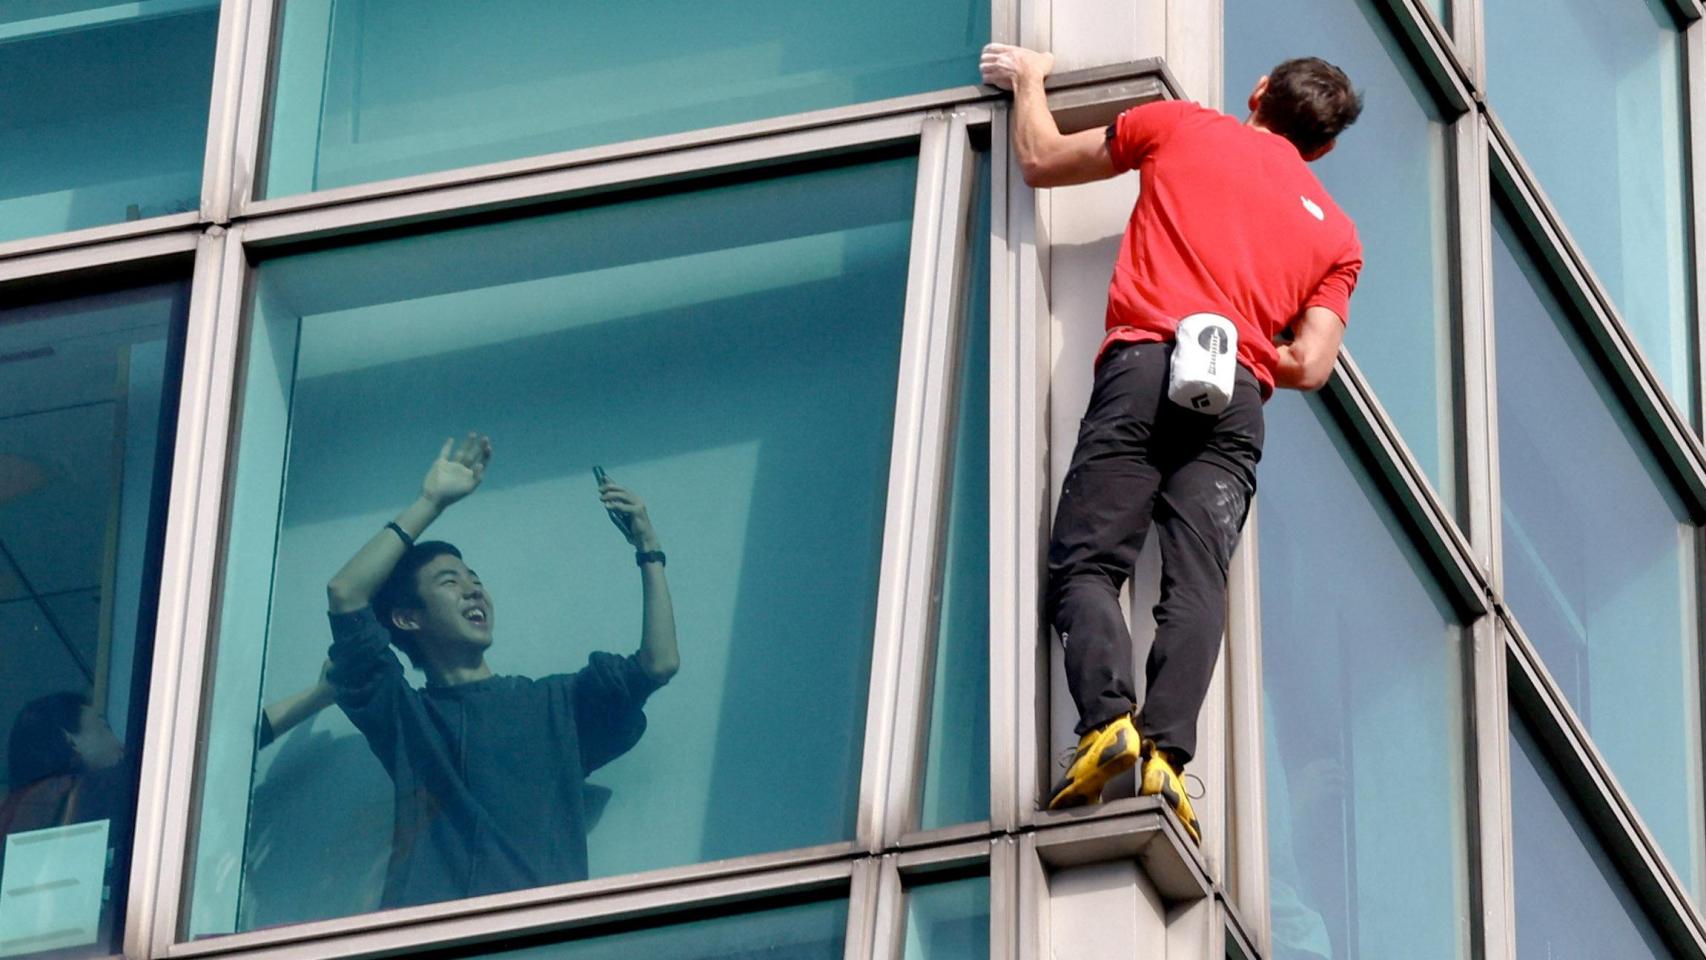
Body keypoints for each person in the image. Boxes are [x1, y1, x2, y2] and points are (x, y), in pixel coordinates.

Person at [979, 45, 1364, 840]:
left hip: (1147, 363)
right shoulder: (1339, 239)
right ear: (1321, 148)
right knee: (1197, 580)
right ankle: (1166, 759)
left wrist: (1028, 80)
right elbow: (1311, 364)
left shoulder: (1181, 127)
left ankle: (1106, 726)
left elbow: (1041, 158)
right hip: (1239, 401)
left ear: (1259, 92)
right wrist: (1250, 340)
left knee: (1088, 560)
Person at [322, 433, 678, 909]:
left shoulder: (554, 705)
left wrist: (649, 548)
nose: (474, 592)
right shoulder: (407, 718)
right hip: (429, 940)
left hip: (539, 936)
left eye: (477, 581)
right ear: (409, 618)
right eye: (450, 582)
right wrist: (431, 502)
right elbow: (346, 593)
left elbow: (658, 664)